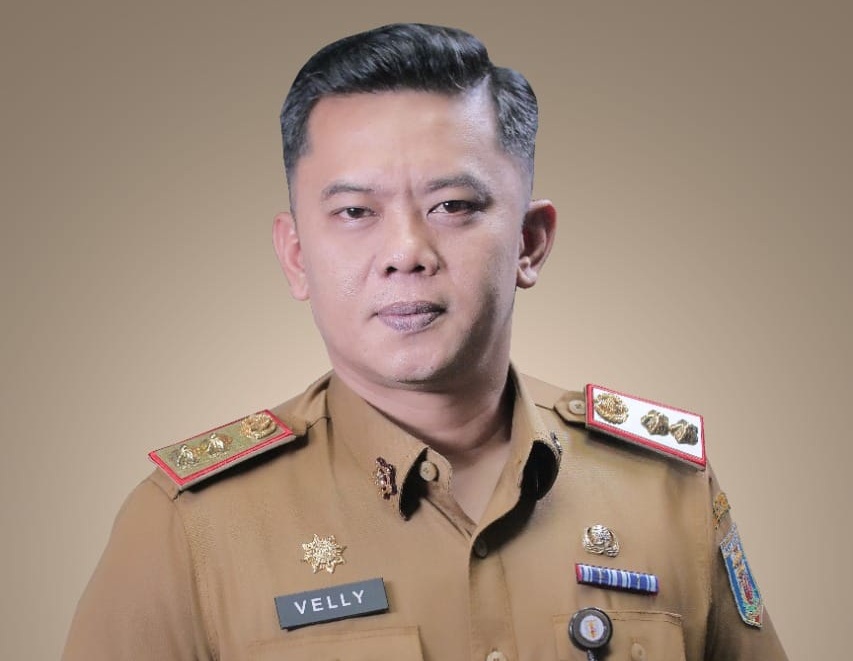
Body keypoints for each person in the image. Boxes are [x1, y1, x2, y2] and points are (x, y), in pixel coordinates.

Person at [63, 23, 788, 660]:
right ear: (296, 255)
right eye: (355, 211)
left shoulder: (666, 494)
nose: (406, 251)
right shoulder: (189, 528)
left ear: (530, 242)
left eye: (452, 205)